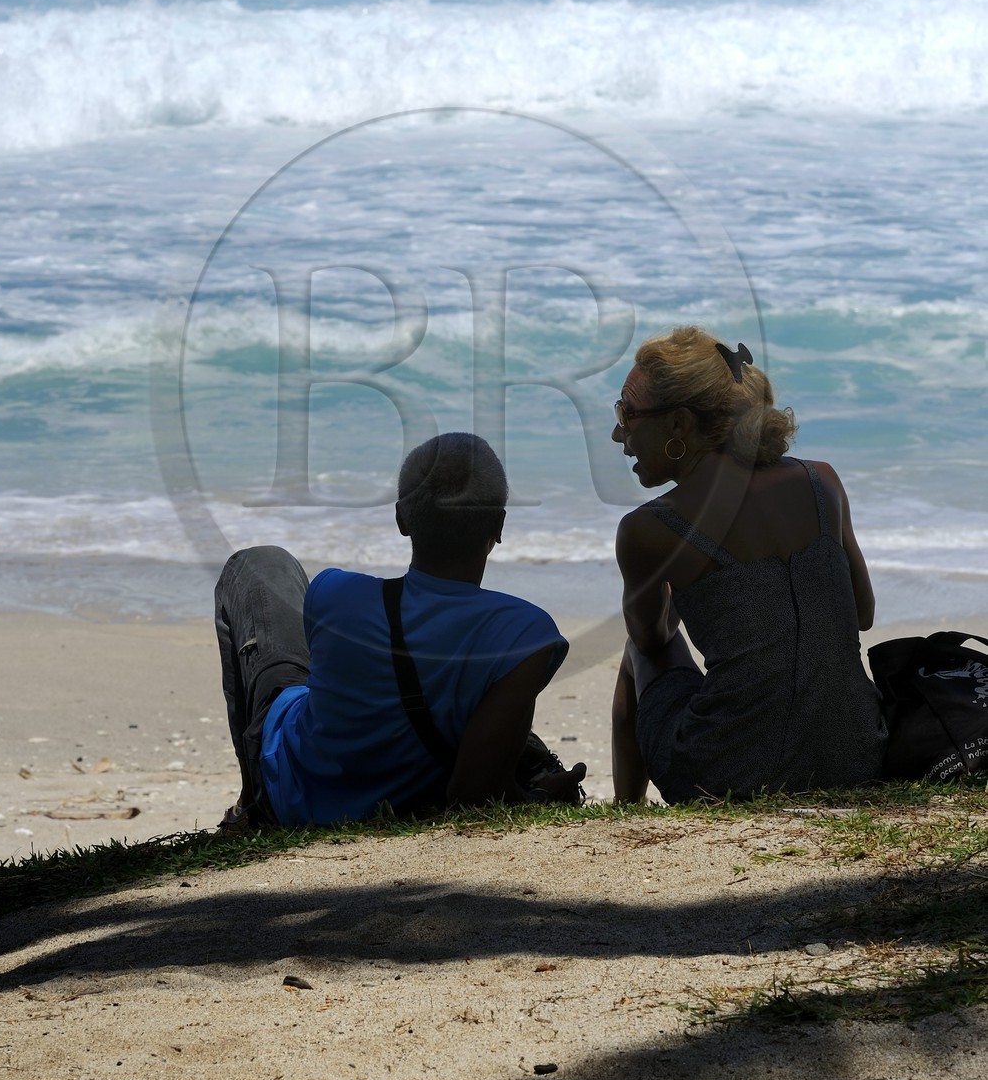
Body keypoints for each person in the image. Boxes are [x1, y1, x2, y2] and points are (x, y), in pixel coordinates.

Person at [215, 431, 587, 828]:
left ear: (401, 519)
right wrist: (543, 795)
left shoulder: (333, 592)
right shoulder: (524, 634)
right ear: (498, 526)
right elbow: (476, 793)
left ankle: (250, 799)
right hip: (410, 793)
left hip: (289, 789)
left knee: (259, 564)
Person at [610, 327, 887, 804]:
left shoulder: (650, 528)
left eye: (626, 413)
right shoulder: (821, 480)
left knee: (636, 655)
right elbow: (861, 613)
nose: (619, 433)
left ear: (679, 425)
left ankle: (626, 807)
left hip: (720, 772)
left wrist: (687, 583)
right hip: (856, 755)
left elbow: (651, 639)